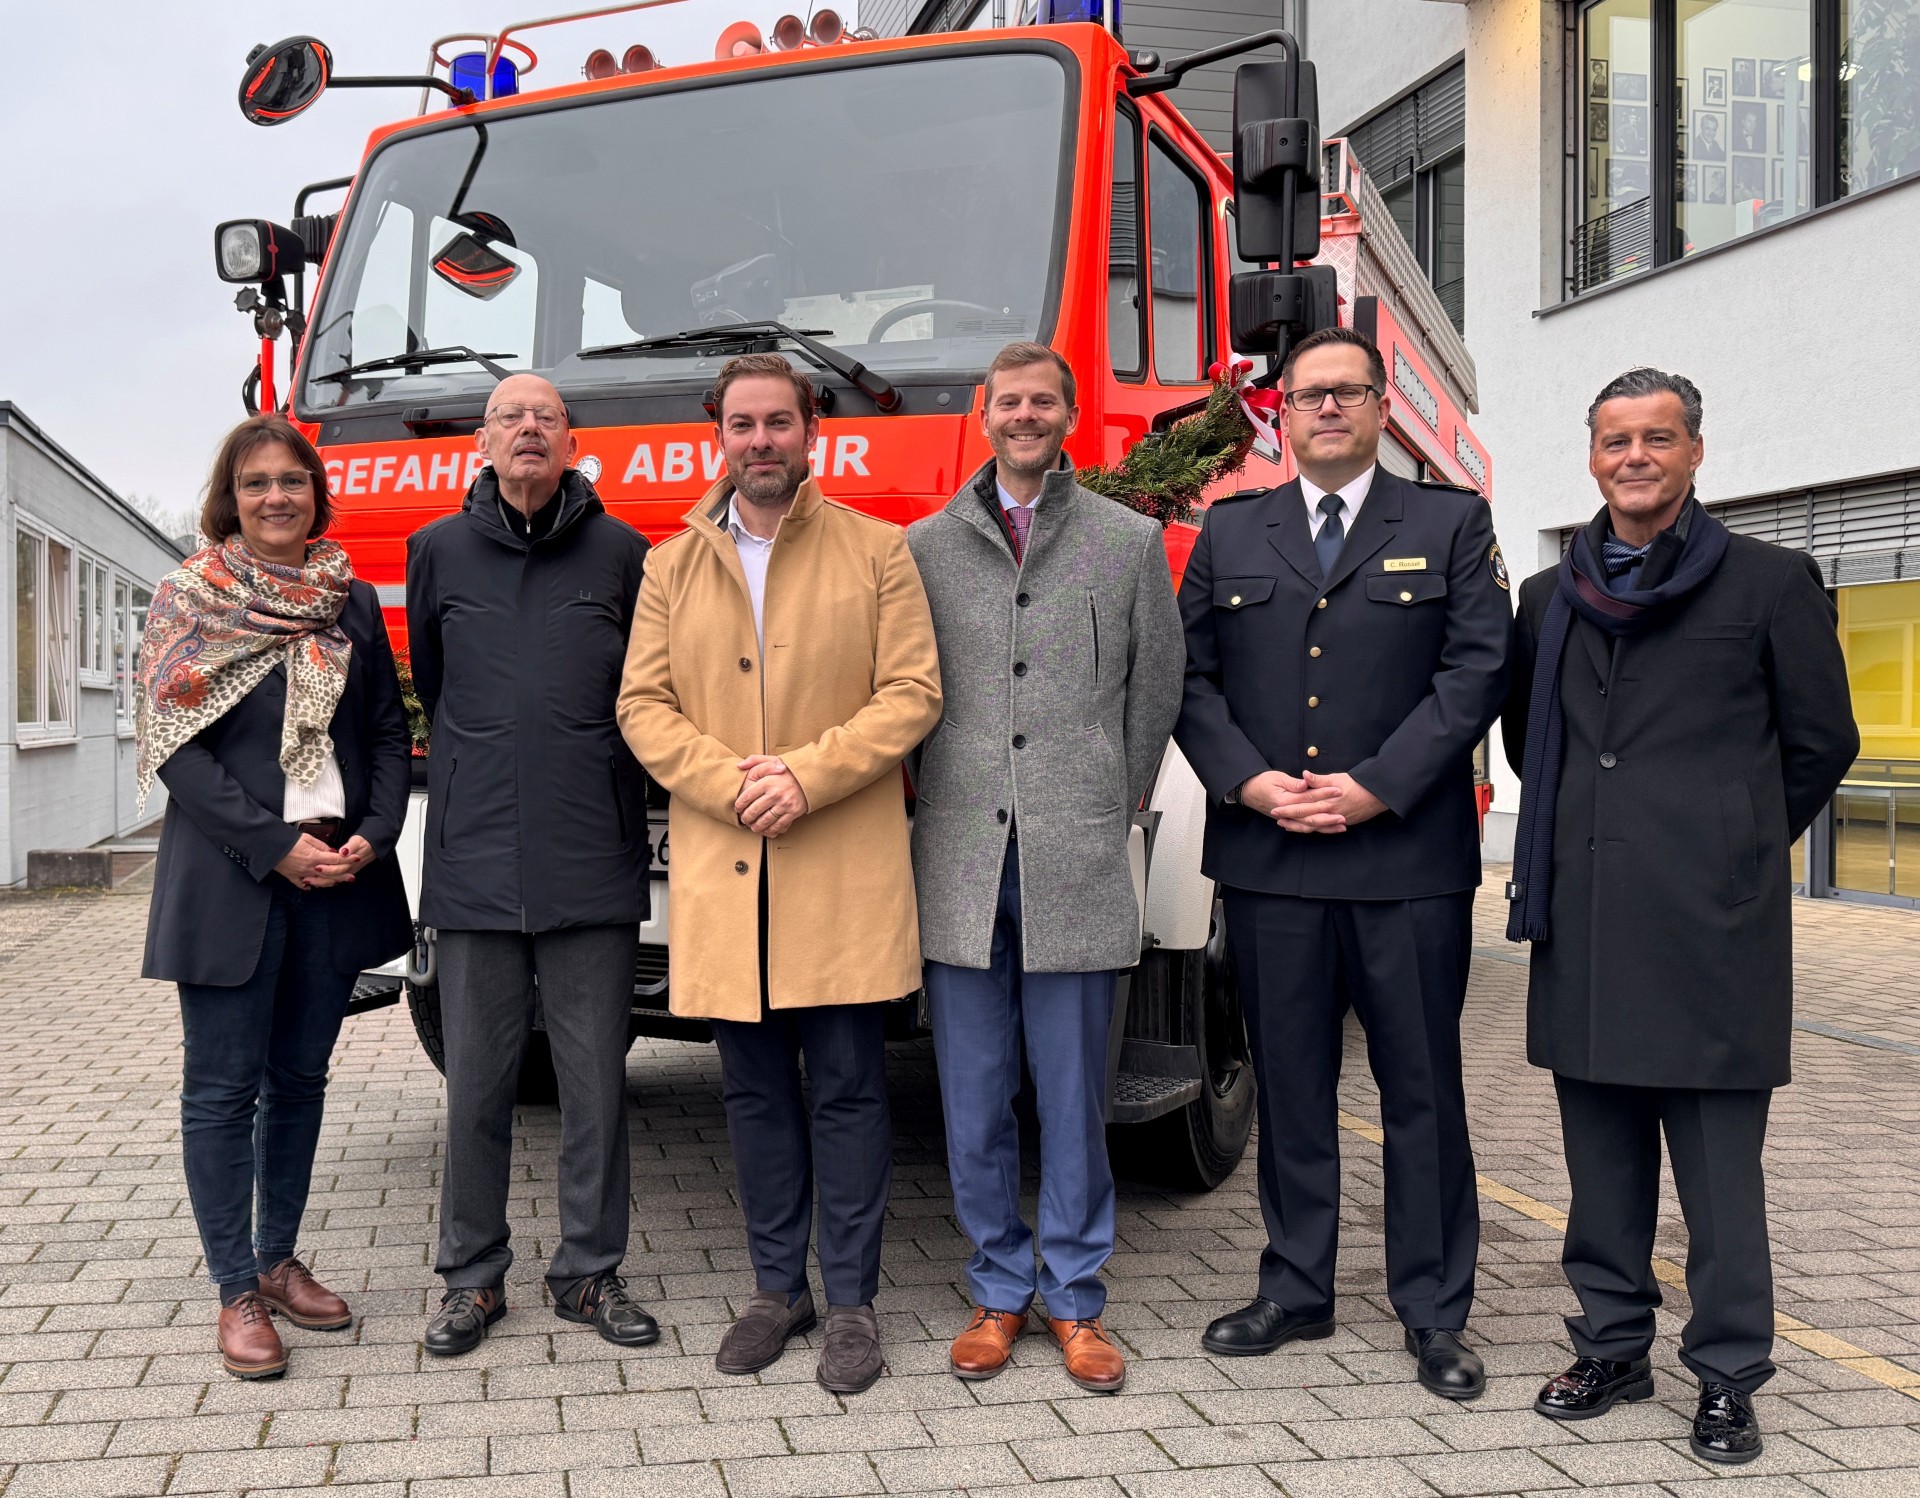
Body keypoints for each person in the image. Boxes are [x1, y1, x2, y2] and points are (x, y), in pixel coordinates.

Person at [1504, 368, 1856, 1464]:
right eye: (1617, 440)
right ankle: (1611, 1347)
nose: (1636, 457)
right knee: (1600, 1164)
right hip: (1585, 915)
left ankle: (1729, 1373)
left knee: (1718, 1177)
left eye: (1658, 438)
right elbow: (1529, 742)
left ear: (1696, 452)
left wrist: (1733, 838)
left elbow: (1822, 740)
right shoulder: (1547, 598)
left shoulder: (1771, 581)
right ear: (1592, 456)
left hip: (1713, 923)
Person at [1173, 325, 1511, 1399]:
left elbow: (1476, 670)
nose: (1328, 407)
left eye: (1348, 392)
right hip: (1271, 858)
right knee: (1290, 1084)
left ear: (1378, 408)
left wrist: (1376, 784)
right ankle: (1296, 1287)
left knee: (1421, 1091)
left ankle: (1435, 1310)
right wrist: (1248, 782)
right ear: (1281, 414)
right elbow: (1187, 677)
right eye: (1309, 394)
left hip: (1404, 859)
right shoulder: (1232, 530)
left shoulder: (1450, 523)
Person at [618, 354, 941, 1395]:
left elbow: (912, 693)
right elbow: (642, 705)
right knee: (754, 1093)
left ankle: (851, 1303)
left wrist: (806, 776)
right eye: (743, 424)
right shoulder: (671, 565)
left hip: (838, 863)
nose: (761, 441)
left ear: (813, 432)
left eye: (779, 423)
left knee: (847, 1090)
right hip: (727, 868)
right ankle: (775, 1290)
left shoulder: (878, 550)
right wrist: (731, 784)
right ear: (719, 436)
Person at [905, 343, 1183, 1393]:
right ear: (983, 416)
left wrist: (1112, 798)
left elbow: (1156, 689)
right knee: (974, 1098)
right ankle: (995, 1288)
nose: (1025, 416)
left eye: (1043, 402)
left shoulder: (1127, 541)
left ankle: (1074, 1297)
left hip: (1076, 854)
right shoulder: (924, 548)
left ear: (1069, 415)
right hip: (961, 858)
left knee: (1072, 1097)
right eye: (1009, 402)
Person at [138, 415, 414, 1380]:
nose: (276, 497)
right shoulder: (191, 597)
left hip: (335, 878)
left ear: (315, 494)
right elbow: (175, 746)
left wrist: (377, 832)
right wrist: (273, 846)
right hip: (232, 883)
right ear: (231, 497)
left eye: (292, 480)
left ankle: (278, 1257)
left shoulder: (351, 599)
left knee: (299, 1079)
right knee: (222, 1091)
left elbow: (387, 730)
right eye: (256, 483)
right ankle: (235, 1291)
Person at [405, 374, 656, 1356]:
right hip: (474, 857)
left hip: (591, 850)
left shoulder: (624, 552)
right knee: (477, 1084)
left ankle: (589, 1272)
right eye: (510, 416)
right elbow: (437, 685)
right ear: (482, 442)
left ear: (573, 442)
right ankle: (472, 1280)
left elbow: (644, 693)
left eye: (546, 418)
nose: (528, 430)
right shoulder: (436, 551)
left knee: (595, 1084)